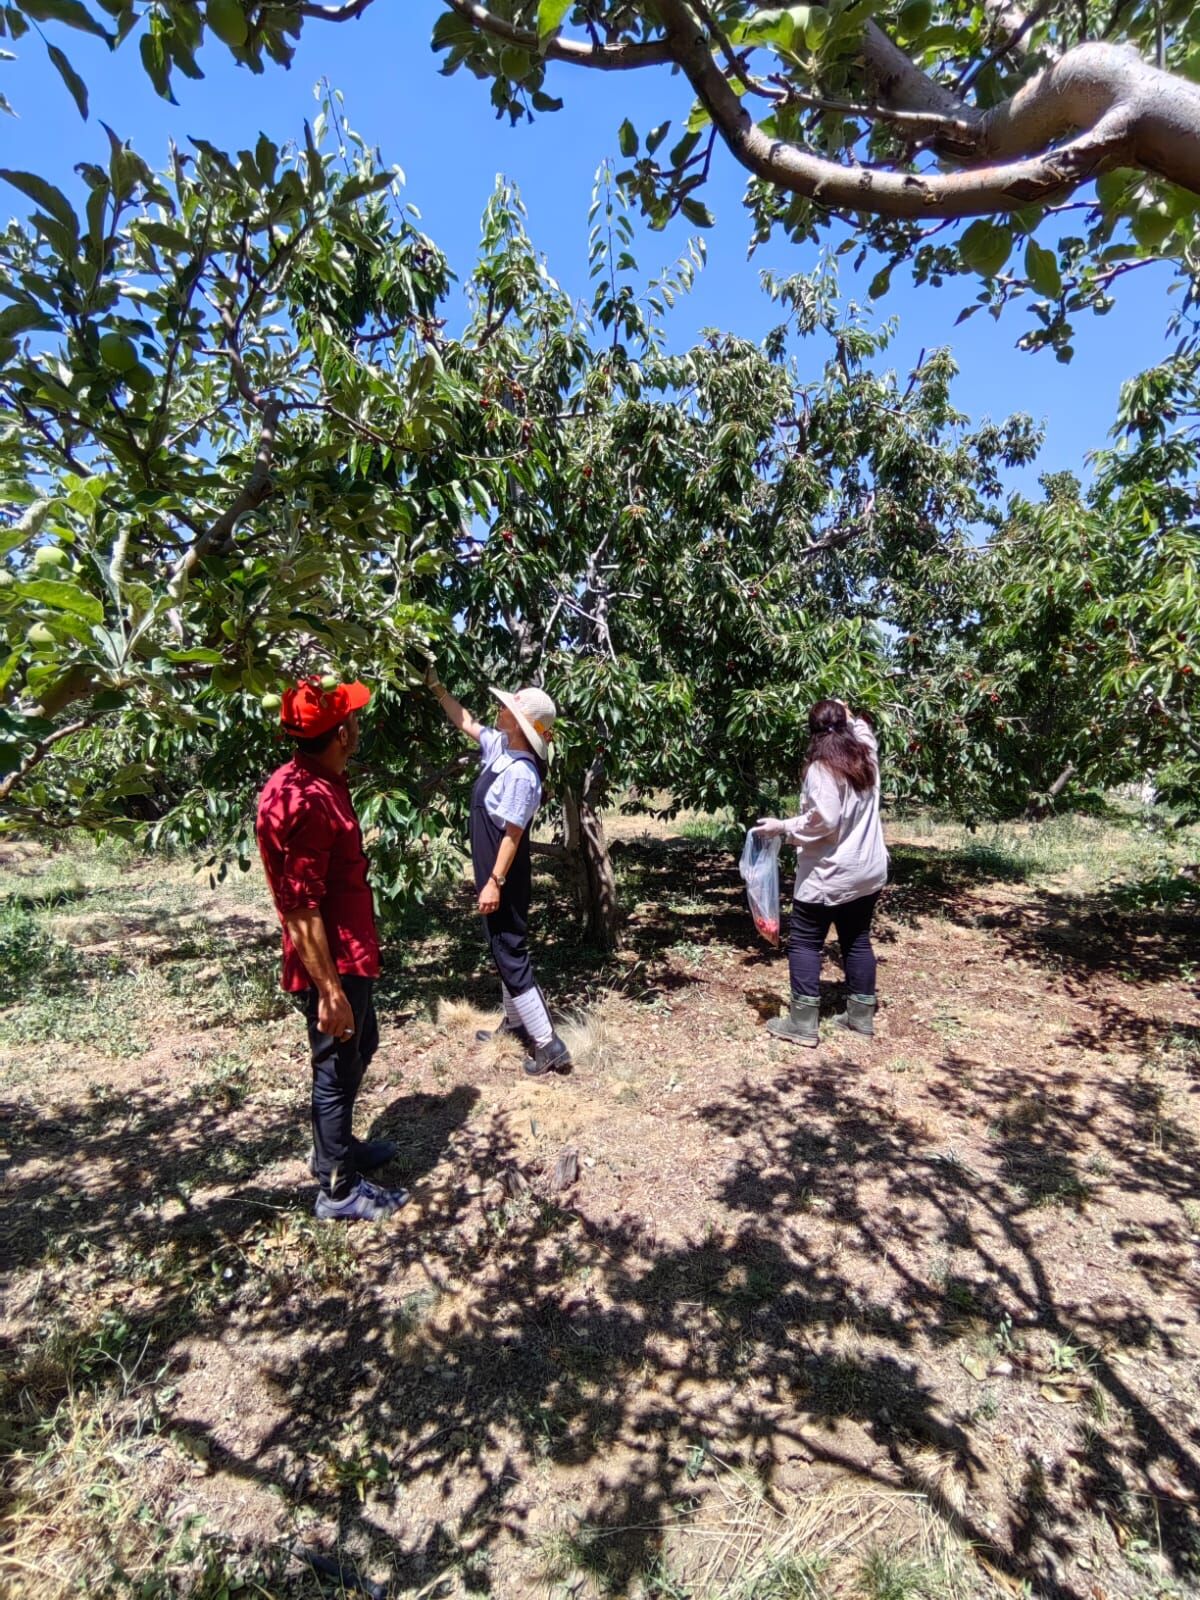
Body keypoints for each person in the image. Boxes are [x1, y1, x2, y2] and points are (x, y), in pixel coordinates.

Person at [255, 675, 409, 1221]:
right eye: (355, 718)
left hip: (349, 953)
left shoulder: (311, 780)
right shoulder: (307, 801)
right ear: (343, 732)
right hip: (334, 961)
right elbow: (299, 906)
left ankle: (338, 1149)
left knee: (360, 1047)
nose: (359, 723)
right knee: (336, 1069)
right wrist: (329, 990)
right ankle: (337, 1190)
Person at [425, 665, 571, 1078]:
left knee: (511, 951)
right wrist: (437, 687)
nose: (498, 711)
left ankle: (548, 1044)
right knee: (499, 948)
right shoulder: (501, 752)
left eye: (508, 709)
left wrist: (494, 882)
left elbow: (512, 834)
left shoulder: (523, 773)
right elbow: (466, 721)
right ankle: (515, 1021)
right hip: (494, 871)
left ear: (522, 725)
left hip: (504, 874)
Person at [753, 699, 888, 1048]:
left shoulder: (822, 769)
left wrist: (783, 826)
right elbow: (864, 731)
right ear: (845, 725)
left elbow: (825, 820)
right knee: (856, 938)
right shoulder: (866, 756)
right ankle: (860, 1017)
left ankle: (802, 1023)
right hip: (868, 870)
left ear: (812, 733)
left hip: (831, 874)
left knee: (805, 942)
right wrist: (850, 713)